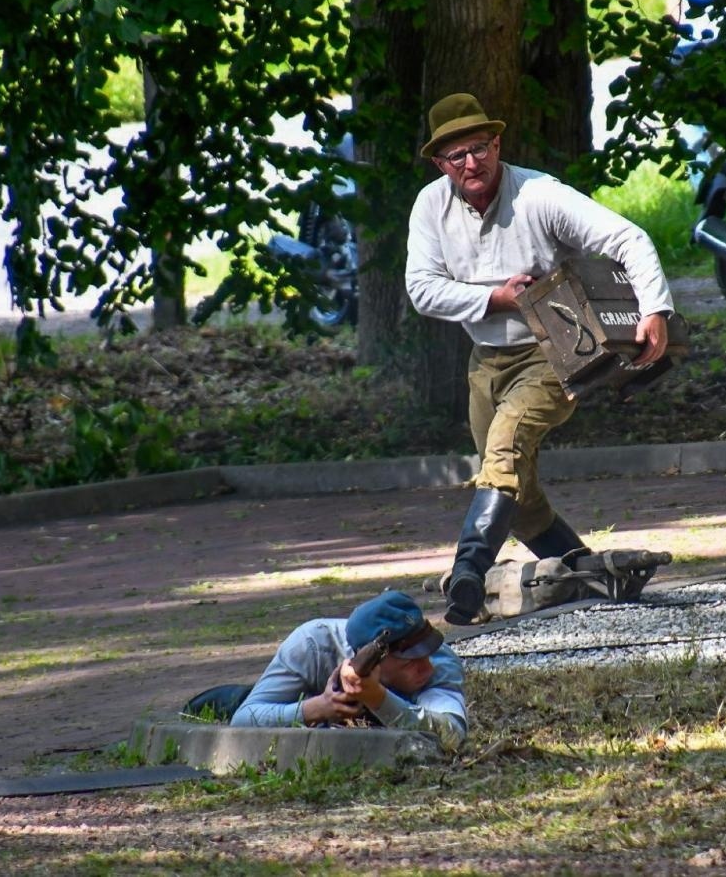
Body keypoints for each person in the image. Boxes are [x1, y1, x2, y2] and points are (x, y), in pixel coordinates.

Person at [405, 93, 674, 625]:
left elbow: (628, 237)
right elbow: (421, 289)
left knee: (505, 448)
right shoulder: (430, 205)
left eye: (478, 148)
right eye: (455, 156)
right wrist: (497, 297)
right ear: (441, 164)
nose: (470, 163)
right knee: (516, 492)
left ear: (496, 143)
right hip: (486, 358)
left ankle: (467, 572)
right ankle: (588, 572)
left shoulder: (538, 195)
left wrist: (656, 310)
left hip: (556, 351)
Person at [230, 591, 467, 753]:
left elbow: (452, 735)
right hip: (287, 697)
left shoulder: (442, 660)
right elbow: (242, 720)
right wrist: (317, 708)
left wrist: (378, 698)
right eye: (409, 661)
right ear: (374, 663)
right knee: (227, 701)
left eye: (427, 651)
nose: (428, 666)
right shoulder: (313, 644)